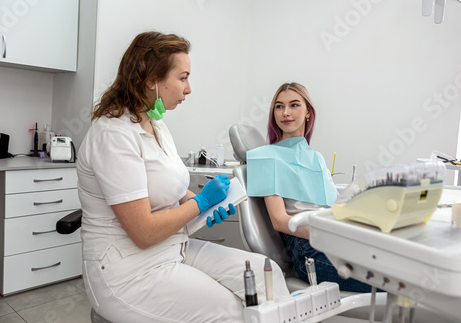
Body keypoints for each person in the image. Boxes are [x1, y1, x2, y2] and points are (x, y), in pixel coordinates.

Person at [76, 31, 290, 323]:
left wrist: (206, 205)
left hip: (172, 248)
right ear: (152, 80)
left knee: (268, 273)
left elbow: (171, 191)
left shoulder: (156, 124)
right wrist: (199, 203)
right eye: (183, 77)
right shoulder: (113, 135)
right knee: (230, 311)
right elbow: (144, 232)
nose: (188, 88)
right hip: (126, 271)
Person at [246, 82, 372, 293]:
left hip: (333, 238)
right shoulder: (265, 157)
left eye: (294, 105)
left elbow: (335, 204)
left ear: (308, 113)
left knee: (400, 267)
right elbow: (279, 221)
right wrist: (328, 234)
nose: (285, 112)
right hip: (308, 249)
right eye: (279, 106)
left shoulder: (316, 158)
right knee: (396, 282)